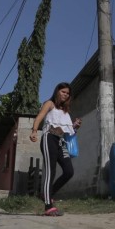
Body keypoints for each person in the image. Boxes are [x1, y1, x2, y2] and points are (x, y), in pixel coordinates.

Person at [30, 82, 81, 216]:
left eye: (68, 93)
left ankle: (47, 194)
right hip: (49, 138)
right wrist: (34, 130)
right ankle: (48, 206)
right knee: (51, 171)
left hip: (61, 141)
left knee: (69, 171)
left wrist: (74, 126)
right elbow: (40, 116)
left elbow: (66, 130)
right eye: (63, 91)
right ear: (57, 91)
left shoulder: (65, 111)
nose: (65, 94)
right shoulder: (49, 103)